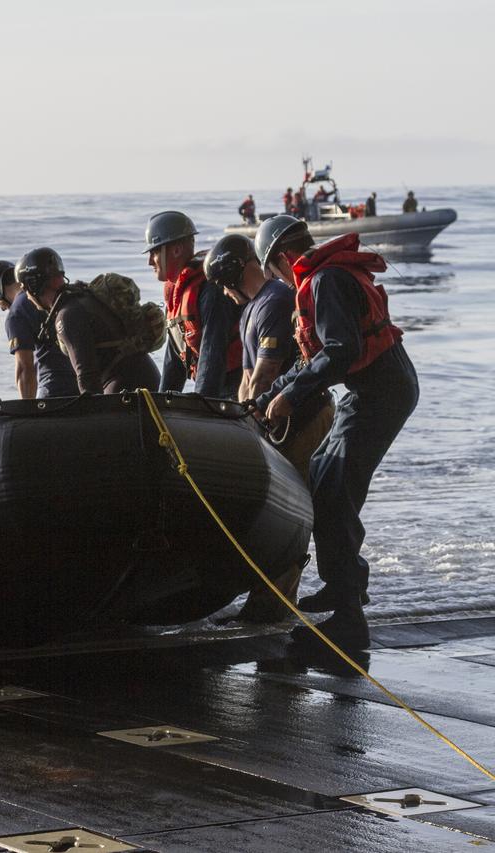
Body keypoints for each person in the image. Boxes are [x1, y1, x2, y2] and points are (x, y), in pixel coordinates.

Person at [255, 215, 418, 650]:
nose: (280, 284)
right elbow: (316, 358)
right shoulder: (328, 276)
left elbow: (340, 353)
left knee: (334, 490)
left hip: (381, 392)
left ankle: (349, 616)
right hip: (379, 386)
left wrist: (290, 398)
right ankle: (345, 589)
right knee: (325, 478)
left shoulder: (325, 282)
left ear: (281, 260)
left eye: (273, 274)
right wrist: (268, 395)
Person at [204, 232, 335, 622]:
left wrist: (247, 418)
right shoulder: (251, 310)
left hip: (304, 417)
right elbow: (247, 377)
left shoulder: (275, 300)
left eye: (222, 286)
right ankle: (264, 600)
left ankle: (275, 604)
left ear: (230, 276)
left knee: (289, 511)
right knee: (273, 511)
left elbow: (266, 372)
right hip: (273, 418)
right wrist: (240, 420)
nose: (223, 294)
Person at [14, 247, 159, 394]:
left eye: (25, 289)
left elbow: (87, 378)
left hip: (123, 386)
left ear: (33, 285)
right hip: (146, 377)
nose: (27, 296)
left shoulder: (66, 316)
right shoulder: (83, 298)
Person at [144, 211, 243, 399]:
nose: (150, 261)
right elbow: (174, 359)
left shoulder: (211, 290)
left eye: (154, 252)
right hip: (216, 386)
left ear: (176, 250)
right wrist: (161, 404)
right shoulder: (176, 294)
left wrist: (202, 407)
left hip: (236, 386)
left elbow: (213, 354)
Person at [0, 260, 37, 398]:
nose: (2, 308)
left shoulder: (17, 313)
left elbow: (25, 369)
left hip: (54, 390)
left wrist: (27, 411)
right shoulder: (42, 296)